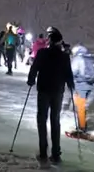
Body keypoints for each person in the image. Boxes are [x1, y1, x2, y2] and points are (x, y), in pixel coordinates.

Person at [27, 26, 74, 165]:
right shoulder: (64, 56)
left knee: (42, 119)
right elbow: (68, 74)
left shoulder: (42, 53)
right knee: (55, 120)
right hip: (58, 91)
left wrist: (31, 80)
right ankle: (56, 154)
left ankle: (43, 152)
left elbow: (34, 67)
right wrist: (70, 85)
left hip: (43, 90)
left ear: (50, 41)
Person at [69, 44, 94, 135]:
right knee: (81, 104)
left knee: (80, 106)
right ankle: (82, 124)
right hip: (89, 85)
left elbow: (73, 71)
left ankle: (82, 127)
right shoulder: (90, 58)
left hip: (81, 84)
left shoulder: (78, 58)